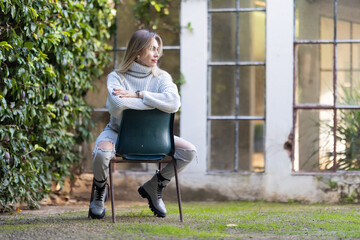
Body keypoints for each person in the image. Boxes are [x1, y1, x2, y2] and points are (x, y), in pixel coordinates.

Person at [88, 29, 197, 219]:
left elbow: (174, 102)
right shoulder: (116, 77)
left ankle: (155, 186)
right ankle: (100, 190)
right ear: (137, 51)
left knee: (189, 152)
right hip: (118, 132)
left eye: (158, 49)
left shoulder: (162, 78)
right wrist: (157, 104)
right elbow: (120, 103)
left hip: (154, 137)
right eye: (152, 49)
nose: (157, 54)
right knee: (101, 153)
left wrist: (140, 94)